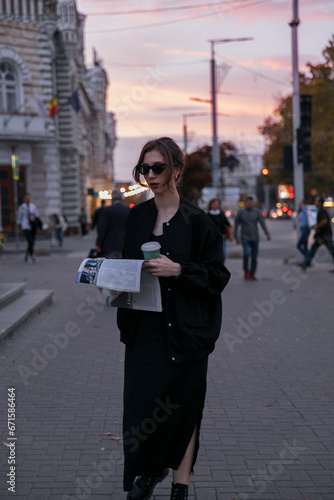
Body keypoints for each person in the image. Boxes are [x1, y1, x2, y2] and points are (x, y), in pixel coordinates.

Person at [117, 137, 230, 500]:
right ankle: (148, 472)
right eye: (144, 168)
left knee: (184, 408)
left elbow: (217, 276)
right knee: (143, 407)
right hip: (145, 330)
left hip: (186, 331)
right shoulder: (137, 217)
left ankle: (181, 485)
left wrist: (179, 269)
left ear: (176, 170)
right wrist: (107, 277)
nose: (150, 175)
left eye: (158, 167)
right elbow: (127, 266)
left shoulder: (198, 221)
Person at [234, 196, 271, 280]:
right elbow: (236, 225)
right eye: (248, 203)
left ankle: (252, 273)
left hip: (255, 237)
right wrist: (236, 236)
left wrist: (267, 234)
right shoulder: (241, 212)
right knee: (246, 254)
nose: (250, 205)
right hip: (245, 237)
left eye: (251, 203)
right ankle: (246, 271)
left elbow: (262, 223)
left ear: (253, 203)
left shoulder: (257, 212)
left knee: (254, 257)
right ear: (246, 203)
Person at [301, 196, 334, 272]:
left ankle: (306, 263)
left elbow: (324, 221)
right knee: (313, 248)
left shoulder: (322, 211)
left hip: (325, 235)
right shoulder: (321, 210)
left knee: (331, 250)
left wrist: (317, 226)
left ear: (319, 203)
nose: (315, 202)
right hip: (322, 235)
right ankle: (306, 263)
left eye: (316, 201)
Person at [95, 191, 130, 258]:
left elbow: (102, 228)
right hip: (124, 244)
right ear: (122, 199)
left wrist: (98, 244)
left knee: (110, 266)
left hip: (109, 244)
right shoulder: (128, 210)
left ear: (112, 198)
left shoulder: (107, 210)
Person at [207, 197, 233, 263]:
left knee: (223, 254)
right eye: (214, 203)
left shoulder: (221, 214)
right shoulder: (208, 215)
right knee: (214, 254)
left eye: (217, 203)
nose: (216, 205)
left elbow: (228, 224)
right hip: (212, 238)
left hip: (222, 236)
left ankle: (221, 266)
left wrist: (231, 235)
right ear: (211, 204)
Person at [17, 193, 40, 262]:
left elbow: (37, 216)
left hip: (32, 226)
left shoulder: (33, 206)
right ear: (24, 199)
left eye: (29, 198)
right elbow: (19, 218)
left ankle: (27, 255)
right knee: (30, 241)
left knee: (32, 242)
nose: (28, 200)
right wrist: (20, 227)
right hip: (25, 226)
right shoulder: (21, 207)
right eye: (26, 198)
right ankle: (31, 254)